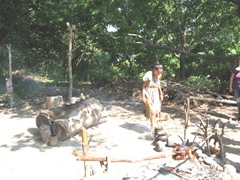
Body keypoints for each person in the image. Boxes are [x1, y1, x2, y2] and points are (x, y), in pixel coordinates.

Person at [142, 61, 164, 135]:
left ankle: (154, 124)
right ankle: (152, 127)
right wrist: (143, 97)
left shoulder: (159, 76)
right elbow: (143, 87)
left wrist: (161, 93)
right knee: (152, 111)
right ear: (154, 70)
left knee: (157, 110)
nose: (159, 74)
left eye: (160, 72)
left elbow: (158, 85)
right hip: (148, 93)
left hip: (156, 93)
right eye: (158, 72)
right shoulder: (148, 75)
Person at [229, 56, 240, 123]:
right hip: (236, 88)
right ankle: (239, 116)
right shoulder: (235, 69)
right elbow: (231, 78)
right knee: (238, 102)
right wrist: (230, 87)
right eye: (239, 60)